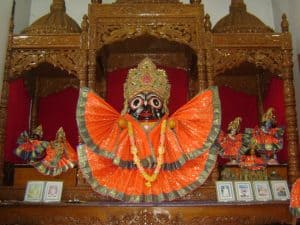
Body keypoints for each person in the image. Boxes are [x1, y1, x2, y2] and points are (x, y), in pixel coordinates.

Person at [76, 57, 221, 202]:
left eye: (154, 102)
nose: (145, 107)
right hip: (127, 178)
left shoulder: (170, 126)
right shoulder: (122, 126)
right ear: (128, 105)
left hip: (165, 177)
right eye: (137, 102)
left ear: (163, 105)